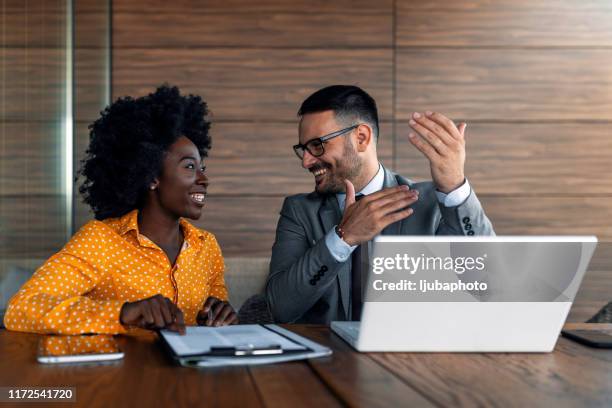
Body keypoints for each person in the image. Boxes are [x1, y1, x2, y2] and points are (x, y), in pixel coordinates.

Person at [4, 85, 238, 335]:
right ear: (151, 178)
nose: (204, 179)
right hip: (123, 372)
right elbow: (22, 309)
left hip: (191, 373)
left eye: (203, 168)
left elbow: (216, 311)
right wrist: (122, 312)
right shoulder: (101, 241)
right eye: (190, 167)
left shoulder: (207, 247)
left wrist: (221, 314)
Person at [266, 85, 495, 324]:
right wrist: (342, 238)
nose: (306, 161)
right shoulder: (299, 211)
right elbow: (280, 308)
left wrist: (455, 188)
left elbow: (488, 284)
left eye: (316, 145)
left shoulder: (432, 203)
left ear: (361, 138)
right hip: (328, 357)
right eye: (303, 149)